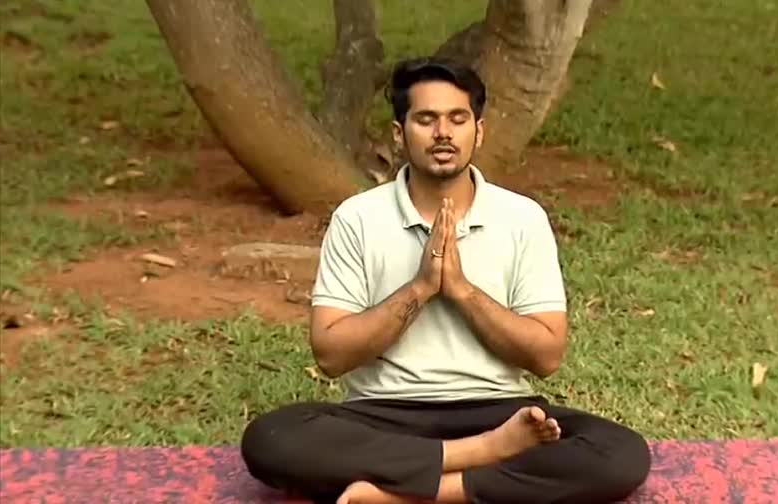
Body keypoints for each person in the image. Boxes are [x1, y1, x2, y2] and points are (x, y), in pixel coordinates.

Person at [240, 56, 652, 504]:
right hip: (383, 415)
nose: (443, 133)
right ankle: (477, 458)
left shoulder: (522, 218)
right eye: (426, 119)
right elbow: (331, 356)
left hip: (497, 410)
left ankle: (406, 493)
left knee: (619, 453)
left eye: (458, 119)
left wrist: (461, 291)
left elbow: (546, 355)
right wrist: (420, 288)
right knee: (272, 438)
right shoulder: (357, 218)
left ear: (479, 130)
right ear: (400, 135)